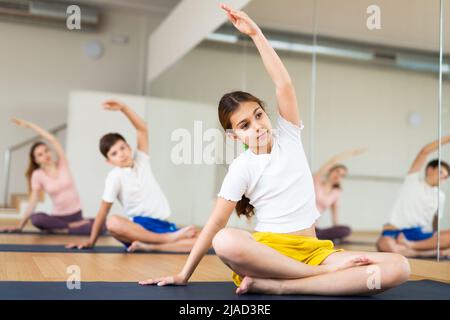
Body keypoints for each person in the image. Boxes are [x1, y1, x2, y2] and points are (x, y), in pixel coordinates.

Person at [138, 4, 410, 296]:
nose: (256, 125)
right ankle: (318, 278)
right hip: (270, 255)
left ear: (266, 114)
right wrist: (183, 274)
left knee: (399, 267)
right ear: (233, 136)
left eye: (258, 115)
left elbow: (284, 84)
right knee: (226, 240)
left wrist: (256, 34)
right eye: (244, 124)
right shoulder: (241, 167)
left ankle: (283, 286)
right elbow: (216, 223)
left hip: (315, 252)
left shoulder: (289, 136)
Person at [67, 101, 198, 252]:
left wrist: (123, 108)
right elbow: (103, 211)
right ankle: (167, 240)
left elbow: (142, 129)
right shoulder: (115, 177)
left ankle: (153, 247)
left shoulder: (142, 161)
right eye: (114, 153)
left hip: (163, 225)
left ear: (129, 147)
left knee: (207, 239)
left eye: (122, 148)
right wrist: (91, 241)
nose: (121, 154)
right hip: (139, 229)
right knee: (113, 222)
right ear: (109, 161)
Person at [0, 118, 94, 235]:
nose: (45, 155)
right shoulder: (37, 175)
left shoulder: (62, 163)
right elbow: (33, 202)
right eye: (40, 155)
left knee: (103, 224)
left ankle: (64, 230)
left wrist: (30, 125)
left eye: (46, 151)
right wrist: (20, 226)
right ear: (36, 160)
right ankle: (70, 228)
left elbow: (52, 139)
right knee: (36, 218)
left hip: (77, 215)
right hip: (57, 219)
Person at [377, 136, 450, 258]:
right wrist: (447, 139)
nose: (443, 178)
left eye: (446, 176)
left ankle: (412, 248)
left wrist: (435, 237)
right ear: (430, 170)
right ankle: (423, 253)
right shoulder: (412, 182)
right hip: (397, 232)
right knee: (384, 244)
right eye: (441, 172)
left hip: (418, 236)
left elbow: (436, 220)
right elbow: (424, 152)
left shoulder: (440, 196)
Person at [313, 149, 366, 242]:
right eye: (337, 171)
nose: (338, 175)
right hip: (303, 224)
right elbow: (333, 161)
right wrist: (352, 153)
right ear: (330, 171)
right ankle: (314, 236)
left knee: (346, 230)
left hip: (315, 228)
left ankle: (316, 236)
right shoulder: (316, 180)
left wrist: (337, 231)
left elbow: (335, 214)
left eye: (342, 175)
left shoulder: (336, 192)